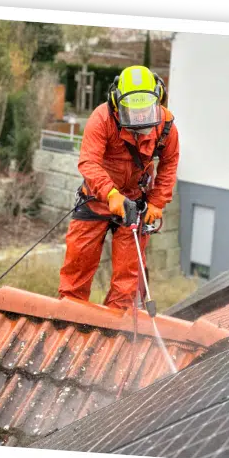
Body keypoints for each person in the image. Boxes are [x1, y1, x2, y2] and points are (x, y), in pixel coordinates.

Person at [58, 65, 180, 310]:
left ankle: (113, 328)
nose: (139, 119)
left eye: (144, 112)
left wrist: (157, 202)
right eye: (132, 113)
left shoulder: (166, 126)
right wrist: (110, 193)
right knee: (77, 266)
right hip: (96, 199)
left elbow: (169, 164)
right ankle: (69, 315)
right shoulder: (102, 118)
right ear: (117, 102)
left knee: (128, 280)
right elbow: (88, 161)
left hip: (135, 202)